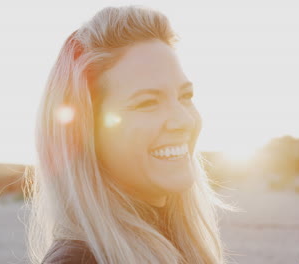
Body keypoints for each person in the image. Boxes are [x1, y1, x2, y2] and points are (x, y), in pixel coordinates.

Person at [25, 5, 237, 264]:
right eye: (147, 102)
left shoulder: (175, 241)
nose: (183, 119)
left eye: (185, 96)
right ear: (86, 132)